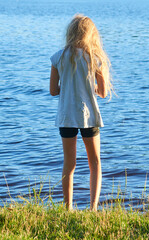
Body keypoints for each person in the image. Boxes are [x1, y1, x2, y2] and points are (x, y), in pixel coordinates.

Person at [49, 14, 113, 211]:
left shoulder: (58, 57)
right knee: (95, 163)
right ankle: (93, 208)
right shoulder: (94, 58)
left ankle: (68, 208)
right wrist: (88, 88)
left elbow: (53, 91)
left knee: (69, 164)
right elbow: (102, 92)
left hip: (66, 117)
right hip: (89, 115)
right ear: (90, 34)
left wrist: (69, 87)